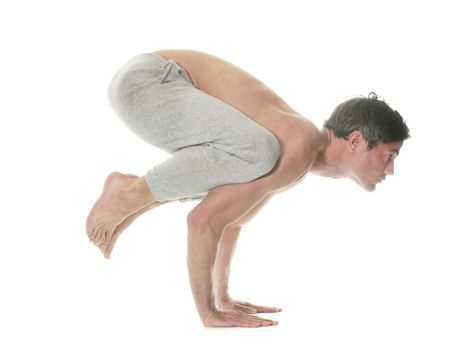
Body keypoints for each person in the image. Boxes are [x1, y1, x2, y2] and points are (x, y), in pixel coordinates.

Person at [85, 49, 410, 328]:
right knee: (258, 150)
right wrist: (208, 312)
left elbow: (229, 220)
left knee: (234, 167)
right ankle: (131, 192)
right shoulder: (300, 143)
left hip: (147, 84)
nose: (391, 169)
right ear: (356, 140)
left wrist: (222, 298)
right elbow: (202, 221)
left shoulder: (295, 155)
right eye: (389, 155)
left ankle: (133, 195)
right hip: (151, 81)